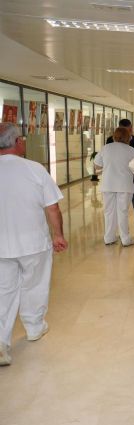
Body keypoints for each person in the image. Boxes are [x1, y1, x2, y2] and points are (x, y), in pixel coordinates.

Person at [0, 122, 68, 366]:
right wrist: (58, 234)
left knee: (3, 291)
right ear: (17, 142)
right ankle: (33, 327)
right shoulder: (34, 169)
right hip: (33, 243)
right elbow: (52, 207)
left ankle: (1, 342)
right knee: (34, 285)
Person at [94, 127, 134, 246]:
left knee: (109, 211)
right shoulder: (131, 150)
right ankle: (125, 238)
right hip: (125, 185)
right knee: (122, 211)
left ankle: (109, 237)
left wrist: (108, 166)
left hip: (108, 184)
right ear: (128, 137)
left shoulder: (106, 148)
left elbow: (97, 166)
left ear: (114, 136)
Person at [106, 119, 134, 219]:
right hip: (115, 180)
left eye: (127, 130)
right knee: (114, 210)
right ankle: (118, 233)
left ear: (131, 129)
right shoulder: (110, 140)